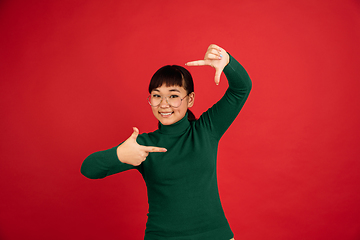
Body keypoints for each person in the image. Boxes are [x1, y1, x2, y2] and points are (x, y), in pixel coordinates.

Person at [81, 44, 252, 240]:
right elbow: (88, 169)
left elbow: (241, 88)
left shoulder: (206, 130)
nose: (164, 104)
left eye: (173, 96)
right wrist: (119, 154)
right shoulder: (143, 145)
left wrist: (227, 61)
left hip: (215, 235)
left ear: (190, 99)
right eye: (156, 96)